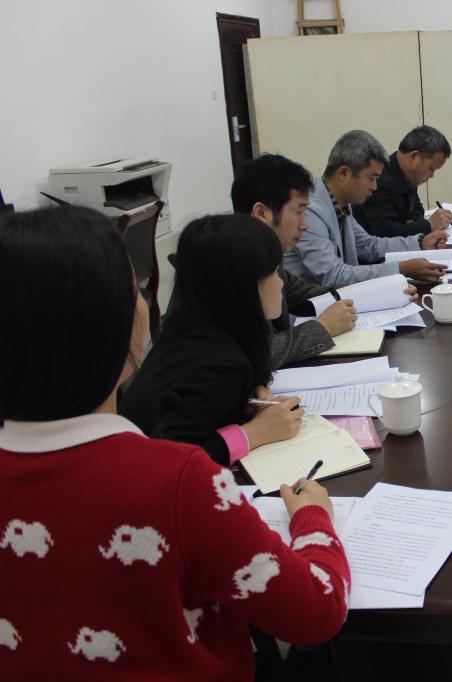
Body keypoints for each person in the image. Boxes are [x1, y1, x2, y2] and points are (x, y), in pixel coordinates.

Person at [0, 206, 349, 679]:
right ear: (122, 324)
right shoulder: (178, 482)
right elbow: (318, 611)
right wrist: (313, 520)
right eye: (137, 290)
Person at [121, 214, 305, 466]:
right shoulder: (218, 364)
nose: (281, 282)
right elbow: (171, 461)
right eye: (274, 272)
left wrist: (244, 403)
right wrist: (254, 433)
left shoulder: (195, 331)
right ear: (244, 286)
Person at [232, 153, 356, 368]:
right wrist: (323, 328)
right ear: (261, 213)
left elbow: (302, 293)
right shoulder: (230, 261)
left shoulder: (264, 253)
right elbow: (256, 354)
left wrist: (378, 294)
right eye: (299, 212)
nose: (305, 224)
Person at [285, 130, 450, 287]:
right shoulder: (309, 211)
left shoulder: (340, 203)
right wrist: (401, 268)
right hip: (312, 304)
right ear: (344, 173)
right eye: (372, 178)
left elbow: (368, 246)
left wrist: (420, 242)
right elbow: (333, 275)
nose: (375, 187)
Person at [354, 125, 452, 237]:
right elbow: (385, 233)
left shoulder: (407, 173)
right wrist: (428, 225)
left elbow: (416, 208)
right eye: (431, 168)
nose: (432, 175)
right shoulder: (378, 180)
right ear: (414, 157)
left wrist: (414, 222)